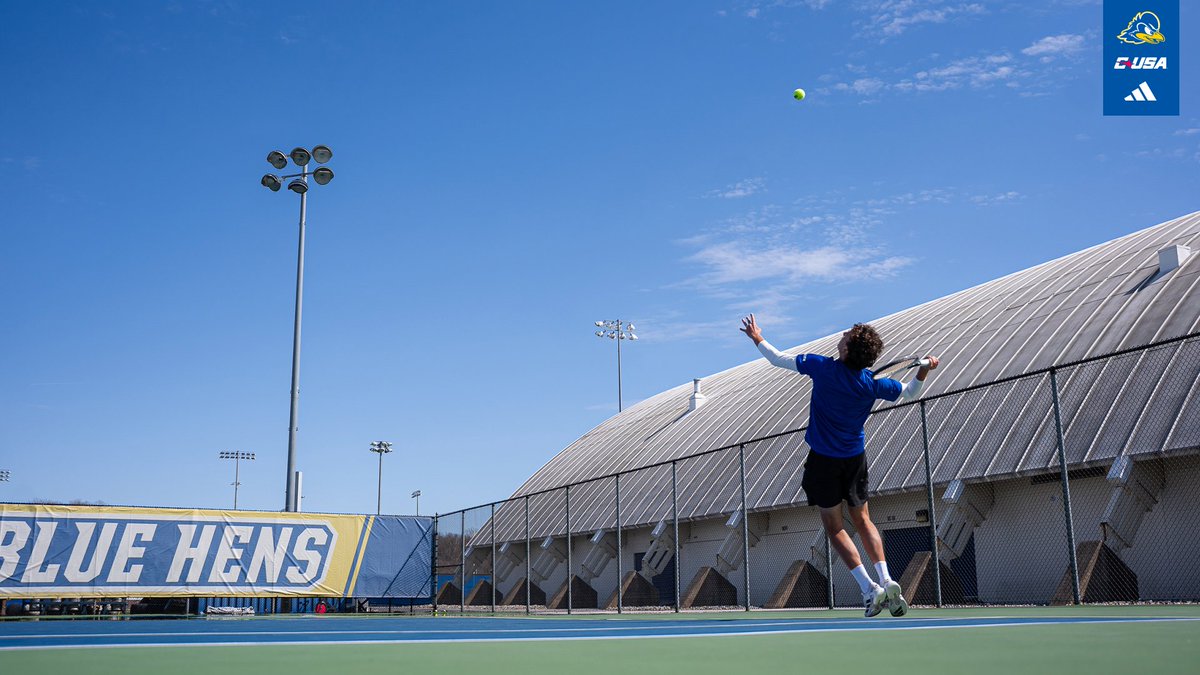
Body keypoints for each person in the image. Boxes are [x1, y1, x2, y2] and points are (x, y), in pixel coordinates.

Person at [740, 314, 939, 617]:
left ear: (846, 350)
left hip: (824, 462)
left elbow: (777, 358)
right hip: (855, 459)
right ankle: (886, 578)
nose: (844, 332)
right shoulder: (871, 385)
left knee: (835, 529)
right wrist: (924, 370)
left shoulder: (823, 368)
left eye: (848, 334)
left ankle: (869, 588)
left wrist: (757, 337)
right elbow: (911, 392)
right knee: (863, 521)